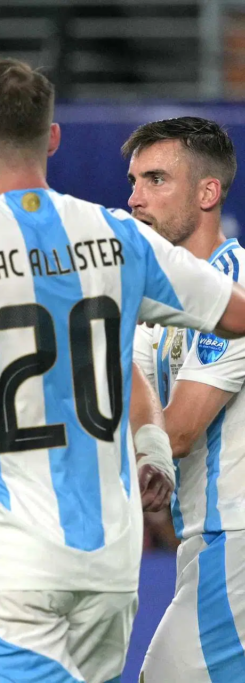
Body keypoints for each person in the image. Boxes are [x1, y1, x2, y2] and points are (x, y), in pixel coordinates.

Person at [0, 58, 245, 682]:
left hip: (10, 563)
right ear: (52, 137)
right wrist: (148, 446)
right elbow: (232, 316)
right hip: (109, 569)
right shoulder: (119, 236)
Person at [126, 117, 245, 681]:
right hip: (207, 541)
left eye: (155, 180)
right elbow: (127, 397)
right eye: (133, 182)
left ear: (207, 192)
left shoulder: (239, 288)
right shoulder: (162, 310)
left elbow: (173, 433)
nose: (134, 199)